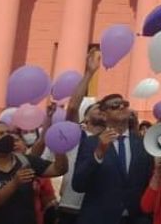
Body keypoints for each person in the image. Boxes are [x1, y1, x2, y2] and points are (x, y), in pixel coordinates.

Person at [72, 94, 153, 224]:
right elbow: (78, 184)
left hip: (135, 218)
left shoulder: (144, 144)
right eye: (115, 106)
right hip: (99, 218)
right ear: (104, 115)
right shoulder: (91, 143)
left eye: (124, 104)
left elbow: (149, 182)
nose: (121, 106)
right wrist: (98, 153)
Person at [0, 120, 68, 224]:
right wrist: (14, 184)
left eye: (8, 133)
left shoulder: (26, 161)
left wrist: (60, 148)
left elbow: (59, 169)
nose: (7, 136)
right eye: (0, 134)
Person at [57, 48, 103, 224]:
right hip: (71, 205)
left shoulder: (112, 138)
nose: (100, 110)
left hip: (98, 208)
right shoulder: (76, 133)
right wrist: (90, 73)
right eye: (95, 108)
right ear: (87, 116)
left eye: (102, 108)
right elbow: (73, 107)